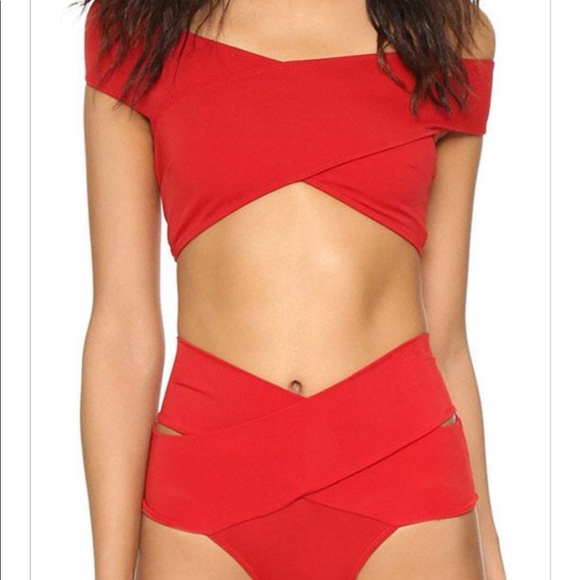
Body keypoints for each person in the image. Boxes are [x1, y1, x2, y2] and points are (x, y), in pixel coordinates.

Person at [80, 0, 505, 578]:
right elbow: (122, 330)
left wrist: (491, 549)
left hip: (406, 476)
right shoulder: (137, 26)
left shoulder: (448, 33)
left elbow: (447, 336)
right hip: (207, 481)